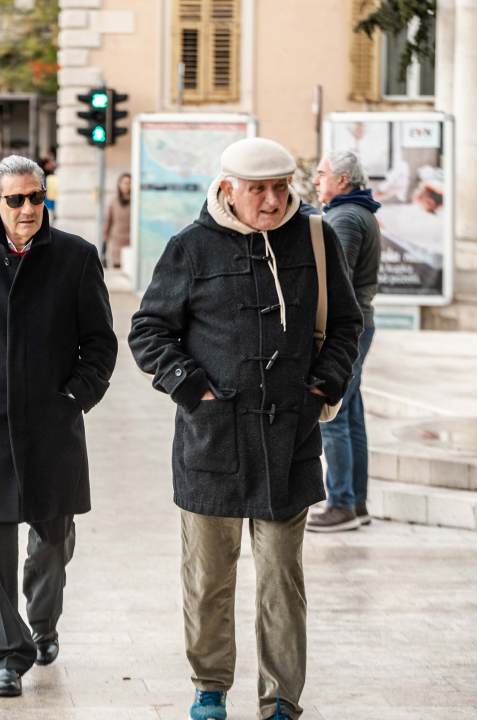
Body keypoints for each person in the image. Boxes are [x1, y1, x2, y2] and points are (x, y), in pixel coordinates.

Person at [128, 138, 362, 720]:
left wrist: (321, 388)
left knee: (283, 582)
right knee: (208, 581)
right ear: (227, 186)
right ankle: (210, 687)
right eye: (258, 189)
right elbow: (148, 331)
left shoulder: (316, 237)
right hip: (212, 442)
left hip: (292, 441)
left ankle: (282, 699)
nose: (272, 199)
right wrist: (194, 389)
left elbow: (346, 325)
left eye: (282, 187)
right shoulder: (190, 247)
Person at [0, 155, 118, 698]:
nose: (28, 208)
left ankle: (43, 621)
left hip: (53, 423)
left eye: (36, 198)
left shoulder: (76, 258)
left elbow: (100, 343)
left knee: (54, 538)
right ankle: (7, 656)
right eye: (16, 199)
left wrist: (75, 397)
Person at [307, 150, 381, 532]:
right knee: (350, 416)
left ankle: (341, 506)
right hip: (361, 326)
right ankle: (356, 502)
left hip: (347, 330)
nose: (316, 181)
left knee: (332, 414)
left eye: (322, 174)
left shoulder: (345, 218)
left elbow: (338, 283)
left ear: (343, 180)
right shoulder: (356, 212)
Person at [104, 173, 132, 269]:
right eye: (124, 183)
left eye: (129, 183)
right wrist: (104, 243)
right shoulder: (113, 201)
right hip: (116, 243)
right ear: (119, 185)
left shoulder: (136, 201)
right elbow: (107, 222)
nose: (126, 186)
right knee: (117, 269)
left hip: (131, 242)